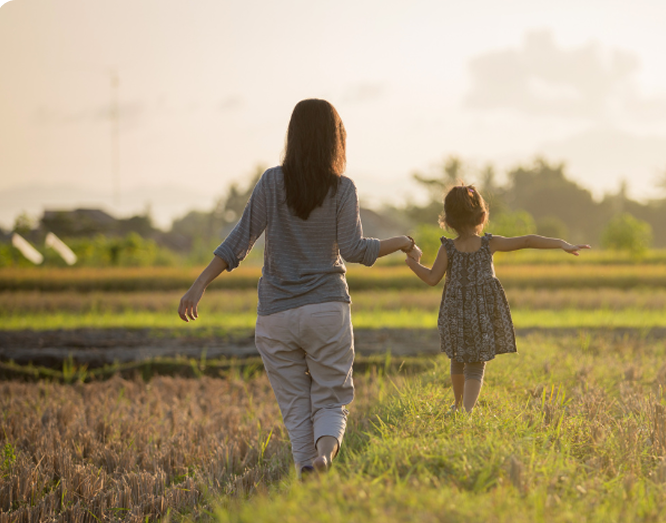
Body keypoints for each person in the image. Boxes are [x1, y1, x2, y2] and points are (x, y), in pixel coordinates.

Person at [178, 98, 415, 478]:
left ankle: (307, 473)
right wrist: (401, 241)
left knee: (294, 410)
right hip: (325, 310)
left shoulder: (272, 181)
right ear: (335, 139)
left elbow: (239, 241)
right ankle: (323, 458)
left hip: (276, 316)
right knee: (332, 398)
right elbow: (355, 250)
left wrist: (198, 284)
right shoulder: (343, 189)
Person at [405, 185, 589, 412]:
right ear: (482, 216)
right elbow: (527, 241)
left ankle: (458, 403)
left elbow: (432, 278)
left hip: (455, 313)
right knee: (475, 363)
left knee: (457, 358)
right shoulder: (488, 244)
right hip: (481, 314)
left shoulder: (448, 248)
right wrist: (562, 243)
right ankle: (467, 410)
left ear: (448, 222)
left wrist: (413, 265)